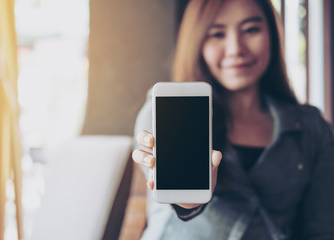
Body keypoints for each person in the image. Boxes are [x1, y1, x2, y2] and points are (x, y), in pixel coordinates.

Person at [132, 0, 334, 239]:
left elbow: (321, 229)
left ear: (272, 33)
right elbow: (181, 205)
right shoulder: (165, 113)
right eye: (217, 34)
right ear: (197, 43)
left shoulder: (311, 128)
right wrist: (187, 201)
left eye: (251, 30)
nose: (236, 48)